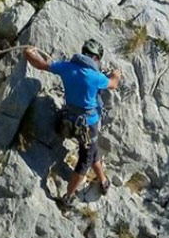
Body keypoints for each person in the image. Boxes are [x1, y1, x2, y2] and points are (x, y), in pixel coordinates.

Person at [24, 38, 122, 208]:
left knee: (92, 151)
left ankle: (103, 179)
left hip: (69, 119)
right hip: (88, 126)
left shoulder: (67, 67)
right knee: (85, 160)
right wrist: (116, 75)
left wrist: (28, 53)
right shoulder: (95, 77)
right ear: (96, 58)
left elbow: (41, 64)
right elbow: (113, 84)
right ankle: (68, 197)